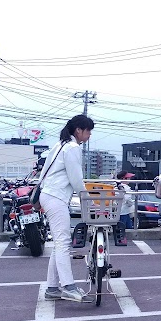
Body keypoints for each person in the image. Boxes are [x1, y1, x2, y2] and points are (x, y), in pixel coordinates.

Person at [39, 115, 94, 303]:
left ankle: (52, 288)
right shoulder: (72, 148)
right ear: (78, 130)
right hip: (56, 197)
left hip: (49, 195)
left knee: (59, 243)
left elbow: (44, 172)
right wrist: (88, 200)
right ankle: (69, 287)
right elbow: (76, 179)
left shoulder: (60, 145)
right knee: (63, 242)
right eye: (88, 131)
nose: (89, 135)